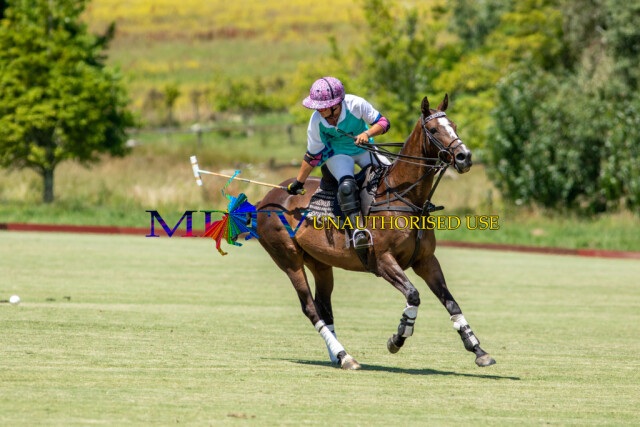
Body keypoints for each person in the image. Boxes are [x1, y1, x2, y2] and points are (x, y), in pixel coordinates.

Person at [287, 77, 391, 252]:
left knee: (390, 173)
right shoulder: (316, 121)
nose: (318, 111)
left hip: (364, 149)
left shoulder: (356, 104)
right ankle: (358, 231)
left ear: (335, 105)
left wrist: (367, 133)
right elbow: (312, 155)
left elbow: (383, 123)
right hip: (338, 154)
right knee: (347, 187)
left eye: (322, 107)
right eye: (317, 107)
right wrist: (299, 182)